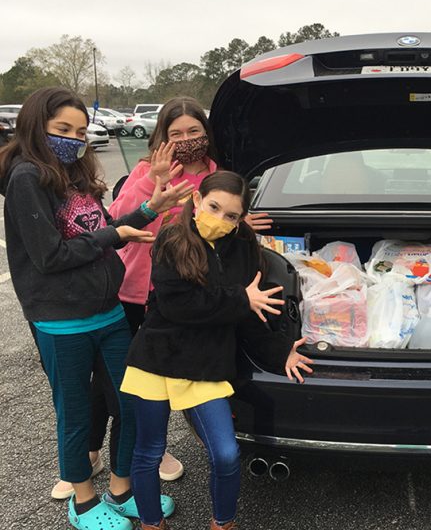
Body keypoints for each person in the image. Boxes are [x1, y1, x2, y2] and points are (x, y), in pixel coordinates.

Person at [46, 98, 275, 497]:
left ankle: (156, 448)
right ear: (162, 138)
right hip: (136, 290)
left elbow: (227, 219)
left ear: (206, 134)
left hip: (191, 293)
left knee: (186, 368)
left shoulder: (218, 177)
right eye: (176, 134)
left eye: (194, 132)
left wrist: (242, 224)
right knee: (116, 381)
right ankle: (89, 454)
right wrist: (150, 182)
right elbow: (115, 217)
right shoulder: (145, 171)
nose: (187, 141)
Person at [0, 87, 188, 529]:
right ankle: (82, 500)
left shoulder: (74, 174)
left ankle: (121, 488)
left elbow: (103, 227)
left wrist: (148, 209)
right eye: (62, 129)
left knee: (129, 403)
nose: (73, 138)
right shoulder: (27, 177)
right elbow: (49, 256)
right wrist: (116, 237)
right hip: (61, 320)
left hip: (109, 313)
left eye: (80, 130)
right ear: (35, 126)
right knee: (76, 410)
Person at [121, 170, 314, 530]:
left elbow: (251, 315)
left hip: (206, 362)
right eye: (213, 207)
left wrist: (281, 349)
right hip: (157, 357)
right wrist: (240, 298)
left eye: (231, 215)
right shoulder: (171, 238)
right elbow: (178, 304)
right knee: (147, 453)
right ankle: (151, 523)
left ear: (242, 218)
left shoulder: (244, 249)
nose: (220, 219)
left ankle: (222, 523)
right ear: (196, 200)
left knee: (226, 455)